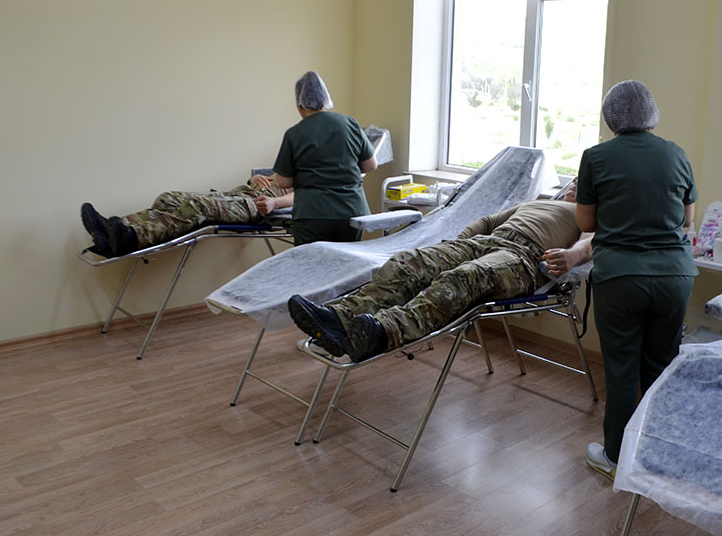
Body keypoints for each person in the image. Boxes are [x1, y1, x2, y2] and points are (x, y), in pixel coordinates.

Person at [287, 186, 592, 363]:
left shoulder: (589, 217)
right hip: (485, 242)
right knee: (409, 262)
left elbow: (591, 242)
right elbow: (488, 221)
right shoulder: (538, 202)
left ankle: (383, 332)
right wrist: (459, 246)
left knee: (464, 278)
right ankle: (339, 319)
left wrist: (572, 256)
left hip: (524, 257)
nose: (576, 185)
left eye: (584, 184)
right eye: (575, 181)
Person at [574, 80, 697, 482]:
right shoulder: (676, 153)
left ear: (610, 116)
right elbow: (687, 219)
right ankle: (656, 456)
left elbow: (586, 222)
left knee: (623, 369)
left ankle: (616, 459)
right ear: (651, 113)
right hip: (675, 276)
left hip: (620, 277)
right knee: (662, 367)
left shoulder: (596, 157)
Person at [271, 70, 378, 245]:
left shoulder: (294, 133)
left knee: (311, 262)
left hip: (313, 214)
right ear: (325, 97)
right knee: (347, 262)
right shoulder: (350, 123)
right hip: (352, 211)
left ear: (299, 102)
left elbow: (283, 182)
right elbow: (371, 165)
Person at [80, 178, 294, 257]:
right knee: (167, 199)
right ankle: (111, 231)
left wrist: (275, 202)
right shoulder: (296, 151)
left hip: (259, 207)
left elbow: (305, 196)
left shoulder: (311, 170)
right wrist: (253, 180)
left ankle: (133, 237)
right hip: (244, 193)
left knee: (197, 207)